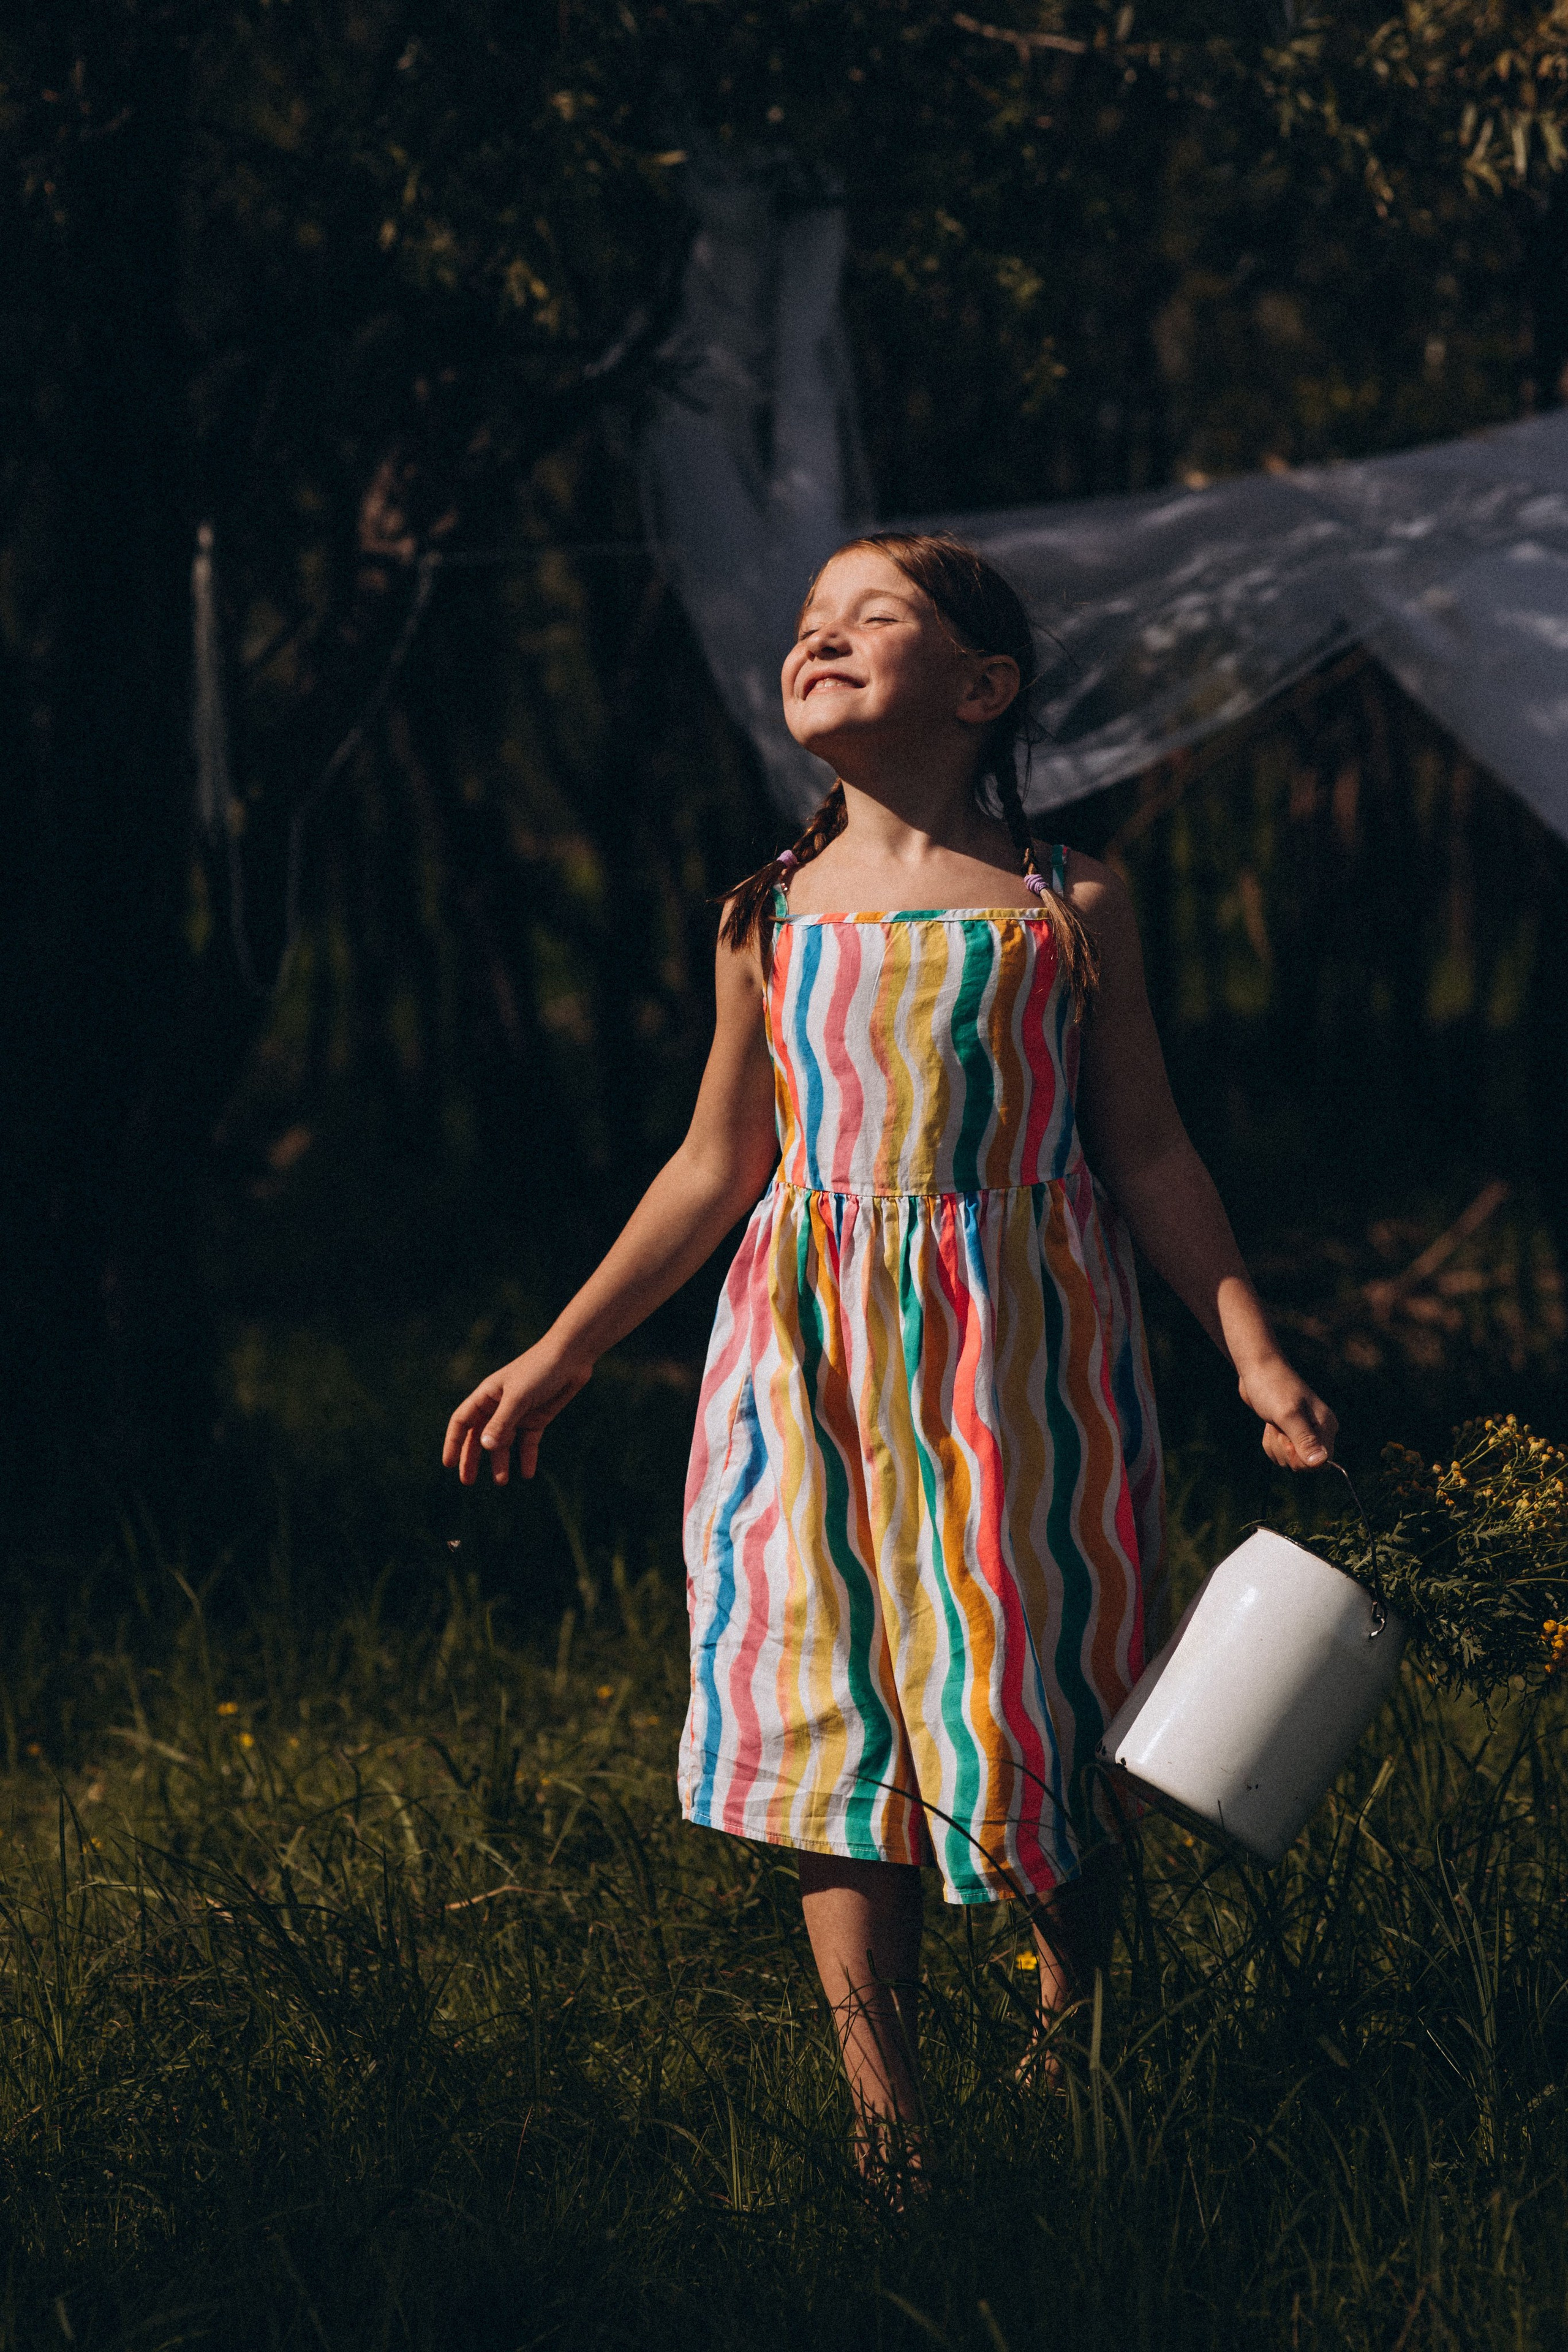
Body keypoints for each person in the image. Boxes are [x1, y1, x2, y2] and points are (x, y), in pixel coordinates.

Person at [443, 532, 1336, 2161]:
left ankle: (1079, 2037)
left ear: (983, 687)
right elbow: (715, 1164)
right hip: (811, 1372)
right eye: (810, 621)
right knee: (830, 1694)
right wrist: (568, 1349)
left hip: (1030, 1375)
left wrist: (1252, 1355)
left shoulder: (1068, 904)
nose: (822, 636)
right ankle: (888, 2124)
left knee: (1043, 1690)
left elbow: (1151, 1152)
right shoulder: (767, 915)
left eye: (873, 616)